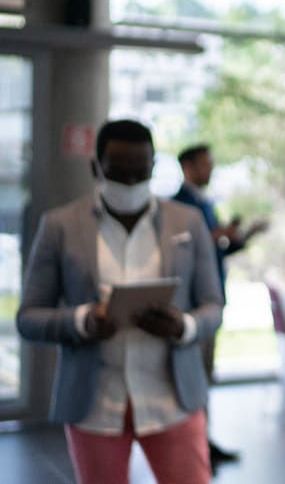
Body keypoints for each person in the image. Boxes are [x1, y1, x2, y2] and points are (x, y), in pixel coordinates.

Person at [17, 120, 223, 484]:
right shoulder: (60, 225)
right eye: (119, 173)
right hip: (93, 405)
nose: (130, 183)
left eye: (140, 173)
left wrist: (184, 326)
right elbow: (29, 318)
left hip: (173, 399)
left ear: (154, 168)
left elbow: (213, 306)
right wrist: (82, 321)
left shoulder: (187, 222)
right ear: (97, 168)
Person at [172, 143, 267, 470]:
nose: (210, 170)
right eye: (204, 165)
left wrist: (241, 237)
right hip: (191, 307)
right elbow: (187, 249)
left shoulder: (205, 204)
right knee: (193, 377)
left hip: (211, 303)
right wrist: (218, 235)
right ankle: (193, 447)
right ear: (187, 166)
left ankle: (203, 442)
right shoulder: (179, 206)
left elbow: (215, 252)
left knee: (206, 375)